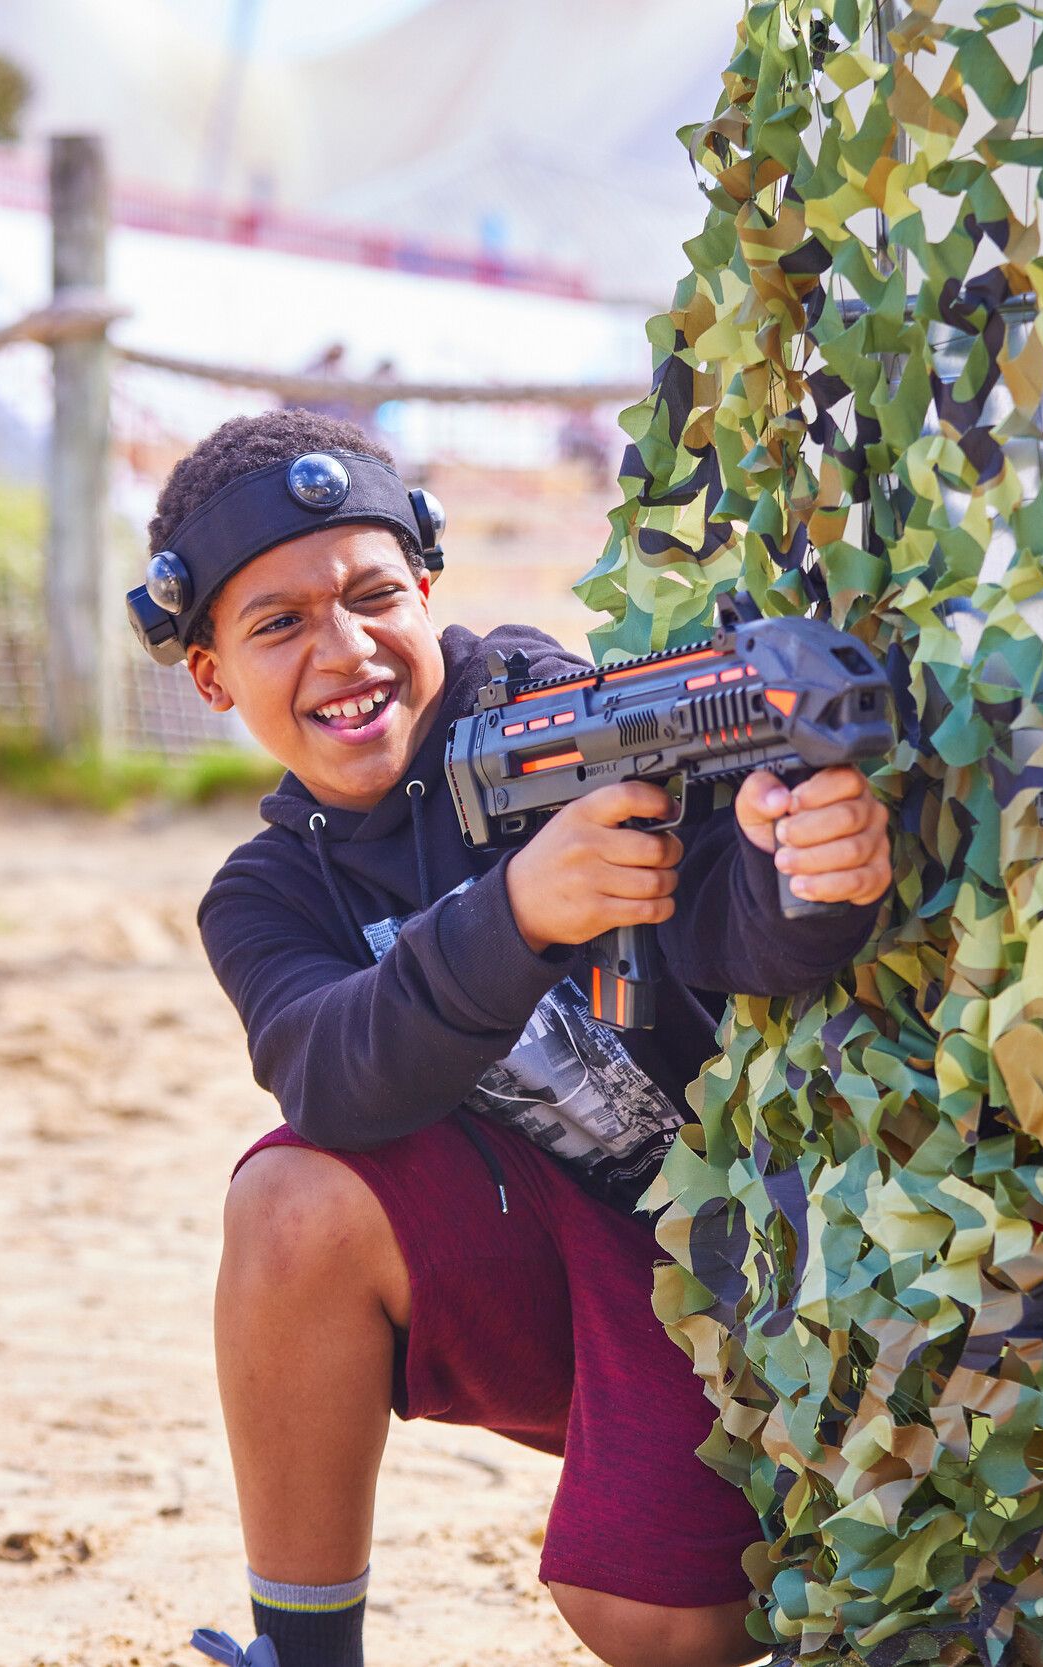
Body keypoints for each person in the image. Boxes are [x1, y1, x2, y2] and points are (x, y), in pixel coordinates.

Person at [132, 409, 893, 1667]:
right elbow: (329, 1074)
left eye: (376, 594)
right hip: (554, 1264)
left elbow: (737, 926)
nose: (345, 647)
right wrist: (518, 913)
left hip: (755, 1245)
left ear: (429, 588)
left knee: (658, 1622)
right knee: (287, 1200)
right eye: (278, 623)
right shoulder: (268, 891)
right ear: (210, 673)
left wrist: (810, 871)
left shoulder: (562, 713)